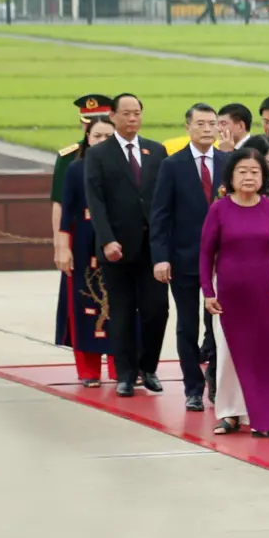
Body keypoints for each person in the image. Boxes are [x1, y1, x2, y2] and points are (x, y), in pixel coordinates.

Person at [200, 146, 269, 438]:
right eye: (242, 171)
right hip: (230, 298)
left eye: (254, 171)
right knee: (229, 356)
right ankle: (230, 414)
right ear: (231, 176)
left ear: (264, 177)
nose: (248, 177)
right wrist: (208, 292)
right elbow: (206, 254)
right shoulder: (219, 209)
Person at [84, 94, 169, 397]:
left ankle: (149, 367)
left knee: (156, 309)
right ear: (114, 117)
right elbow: (96, 200)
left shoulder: (156, 151)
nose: (133, 119)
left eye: (137, 113)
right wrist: (107, 239)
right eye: (127, 114)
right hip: (116, 246)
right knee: (120, 311)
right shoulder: (99, 154)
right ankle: (125, 373)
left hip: (152, 247)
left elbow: (163, 200)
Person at [150, 103, 227, 411]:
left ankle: (216, 381)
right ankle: (192, 387)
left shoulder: (229, 161)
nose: (207, 129)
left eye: (212, 123)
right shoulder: (173, 164)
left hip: (222, 261)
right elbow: (160, 214)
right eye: (201, 123)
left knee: (217, 324)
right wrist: (160, 257)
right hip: (183, 257)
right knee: (187, 325)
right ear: (188, 128)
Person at [56, 115, 119, 388]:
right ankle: (88, 370)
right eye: (97, 136)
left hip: (118, 242)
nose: (102, 142)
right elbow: (66, 213)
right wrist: (62, 248)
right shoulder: (75, 169)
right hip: (82, 244)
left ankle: (122, 368)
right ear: (88, 139)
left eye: (108, 137)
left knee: (122, 306)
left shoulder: (126, 168)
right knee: (84, 306)